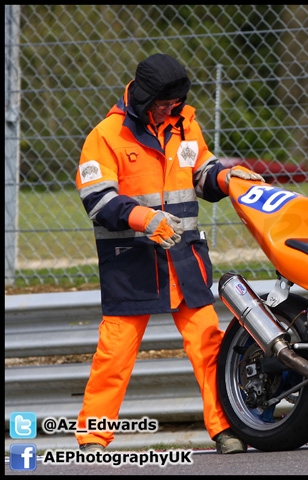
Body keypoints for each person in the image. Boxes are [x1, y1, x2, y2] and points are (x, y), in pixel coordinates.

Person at [75, 53, 264, 454]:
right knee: (115, 354)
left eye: (175, 103)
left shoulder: (185, 125)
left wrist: (229, 177)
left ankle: (226, 429)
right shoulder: (105, 137)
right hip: (131, 261)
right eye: (163, 103)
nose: (169, 109)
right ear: (143, 98)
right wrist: (144, 218)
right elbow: (97, 200)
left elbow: (202, 173)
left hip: (183, 259)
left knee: (209, 346)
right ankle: (92, 439)